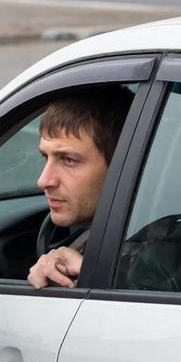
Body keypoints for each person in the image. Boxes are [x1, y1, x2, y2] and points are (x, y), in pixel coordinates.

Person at [27, 86, 133, 289]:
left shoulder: (172, 250)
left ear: (122, 166)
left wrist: (93, 275)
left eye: (68, 160)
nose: (43, 181)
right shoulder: (110, 236)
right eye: (45, 157)